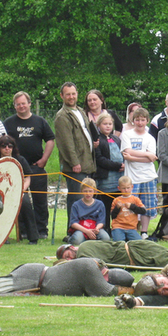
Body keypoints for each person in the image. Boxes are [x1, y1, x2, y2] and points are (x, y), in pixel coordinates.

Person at [0, 258, 137, 298]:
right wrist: (135, 289)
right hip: (33, 277)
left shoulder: (96, 265)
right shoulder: (91, 269)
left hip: (36, 281)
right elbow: (106, 292)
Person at [4, 91, 55, 239]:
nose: (21, 106)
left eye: (23, 103)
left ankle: (41, 230)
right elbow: (3, 143)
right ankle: (24, 231)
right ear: (15, 106)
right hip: (16, 168)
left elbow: (50, 140)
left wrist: (44, 159)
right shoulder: (8, 122)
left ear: (29, 104)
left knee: (40, 201)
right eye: (18, 104)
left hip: (36, 166)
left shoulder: (40, 121)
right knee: (20, 201)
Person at [54, 82, 97, 229]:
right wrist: (74, 162)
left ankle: (87, 229)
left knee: (88, 199)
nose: (71, 97)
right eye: (68, 94)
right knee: (76, 199)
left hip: (88, 163)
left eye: (73, 93)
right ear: (62, 96)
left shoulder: (80, 111)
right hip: (76, 167)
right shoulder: (62, 116)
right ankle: (72, 231)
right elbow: (66, 143)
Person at [0, 134, 39, 245]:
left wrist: (21, 190)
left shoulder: (20, 160)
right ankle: (2, 237)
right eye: (4, 146)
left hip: (19, 191)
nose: (7, 149)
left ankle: (33, 237)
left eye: (10, 146)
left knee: (26, 204)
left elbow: (28, 177)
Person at [120, 107, 158, 238]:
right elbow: (127, 151)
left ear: (147, 121)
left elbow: (152, 158)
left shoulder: (150, 138)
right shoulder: (126, 135)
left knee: (147, 206)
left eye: (142, 120)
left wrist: (132, 157)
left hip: (148, 176)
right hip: (131, 178)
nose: (140, 122)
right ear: (133, 120)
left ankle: (144, 232)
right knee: (131, 205)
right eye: (137, 120)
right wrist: (145, 155)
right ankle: (131, 230)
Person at [94, 112, 124, 233]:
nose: (108, 126)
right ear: (99, 125)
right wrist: (117, 166)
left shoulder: (116, 139)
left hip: (118, 178)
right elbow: (100, 159)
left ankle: (117, 228)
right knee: (106, 205)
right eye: (105, 124)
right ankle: (105, 228)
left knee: (117, 205)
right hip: (105, 179)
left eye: (110, 124)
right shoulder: (97, 140)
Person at [67, 178, 111, 245]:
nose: (88, 194)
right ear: (81, 191)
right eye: (85, 191)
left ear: (95, 191)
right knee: (76, 240)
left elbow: (101, 221)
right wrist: (87, 231)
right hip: (82, 229)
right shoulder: (76, 205)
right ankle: (70, 238)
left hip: (95, 228)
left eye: (90, 191)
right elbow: (73, 223)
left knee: (106, 239)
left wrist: (96, 229)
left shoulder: (100, 204)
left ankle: (91, 241)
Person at [110, 176, 147, 241]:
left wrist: (132, 206)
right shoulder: (116, 200)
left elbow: (143, 211)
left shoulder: (135, 199)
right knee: (119, 243)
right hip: (118, 227)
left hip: (131, 228)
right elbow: (113, 216)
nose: (126, 190)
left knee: (138, 243)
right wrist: (117, 208)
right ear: (119, 188)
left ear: (132, 187)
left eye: (128, 188)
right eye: (123, 188)